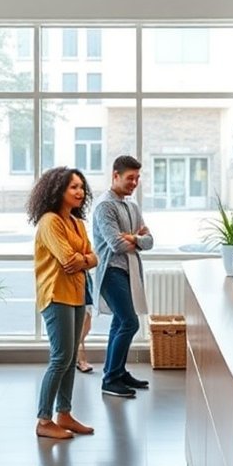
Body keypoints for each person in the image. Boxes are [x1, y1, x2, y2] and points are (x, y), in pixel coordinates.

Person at [29, 166, 98, 439]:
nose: (80, 192)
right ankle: (44, 420)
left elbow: (93, 258)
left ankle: (64, 413)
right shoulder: (49, 222)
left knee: (70, 359)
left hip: (77, 294)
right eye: (73, 187)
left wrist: (84, 260)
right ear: (58, 190)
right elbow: (68, 260)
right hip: (56, 294)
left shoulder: (77, 223)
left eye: (81, 187)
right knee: (60, 358)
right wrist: (84, 260)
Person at [93, 155, 152, 398]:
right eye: (130, 178)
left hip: (128, 270)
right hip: (110, 271)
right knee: (130, 322)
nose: (134, 183)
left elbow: (150, 241)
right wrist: (132, 238)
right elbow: (116, 244)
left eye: (137, 178)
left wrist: (134, 239)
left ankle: (116, 371)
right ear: (115, 176)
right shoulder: (105, 206)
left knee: (119, 322)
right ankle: (110, 380)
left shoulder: (132, 206)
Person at [76, 273, 95, 373]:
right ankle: (81, 361)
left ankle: (80, 360)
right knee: (80, 331)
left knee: (86, 328)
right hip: (79, 293)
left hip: (85, 291)